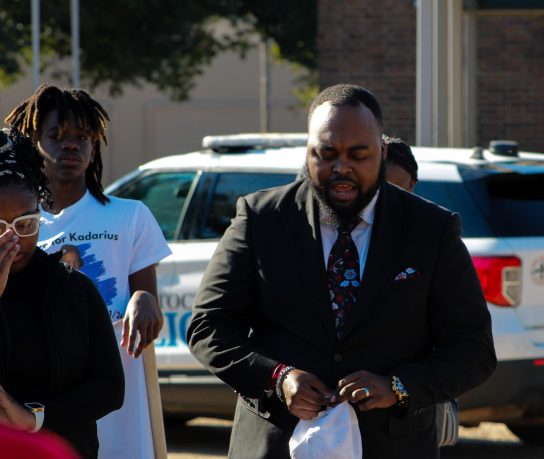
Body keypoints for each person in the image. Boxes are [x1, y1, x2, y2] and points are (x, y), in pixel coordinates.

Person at [187, 83, 496, 458]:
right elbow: (209, 327)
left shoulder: (431, 230)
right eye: (327, 153)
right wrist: (278, 378)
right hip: (276, 443)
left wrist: (397, 386)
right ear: (308, 152)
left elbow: (472, 349)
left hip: (392, 445)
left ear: (382, 152)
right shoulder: (261, 219)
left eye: (358, 154)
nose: (341, 168)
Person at [5, 84, 172, 459]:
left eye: (83, 137)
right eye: (57, 136)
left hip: (117, 388)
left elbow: (146, 300)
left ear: (95, 147)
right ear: (33, 142)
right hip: (53, 393)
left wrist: (144, 300)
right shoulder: (22, 220)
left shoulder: (130, 215)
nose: (71, 146)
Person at [0, 128, 124, 458]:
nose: (13, 239)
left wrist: (36, 418)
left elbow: (110, 387)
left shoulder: (73, 288)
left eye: (25, 224)